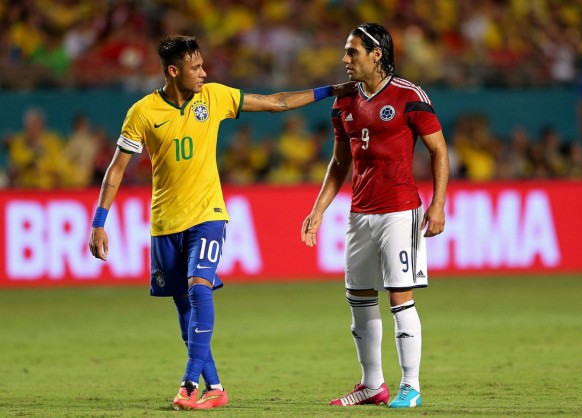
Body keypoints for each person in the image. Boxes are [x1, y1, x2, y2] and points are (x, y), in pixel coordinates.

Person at [88, 35, 353, 410]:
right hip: (165, 222)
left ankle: (188, 384)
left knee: (200, 288)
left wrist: (332, 89)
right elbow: (116, 171)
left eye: (203, 65)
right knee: (184, 308)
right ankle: (215, 387)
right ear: (173, 71)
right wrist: (99, 221)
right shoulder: (142, 113)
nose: (204, 73)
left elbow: (276, 102)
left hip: (208, 215)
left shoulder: (214, 97)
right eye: (195, 68)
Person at [301, 23, 449, 409]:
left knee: (400, 298)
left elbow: (438, 151)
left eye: (353, 52)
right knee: (359, 298)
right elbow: (338, 162)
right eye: (346, 52)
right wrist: (317, 210)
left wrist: (438, 204)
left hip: (399, 211)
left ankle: (411, 386)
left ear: (376, 55)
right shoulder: (343, 102)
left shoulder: (408, 95)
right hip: (359, 213)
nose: (345, 59)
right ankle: (372, 385)